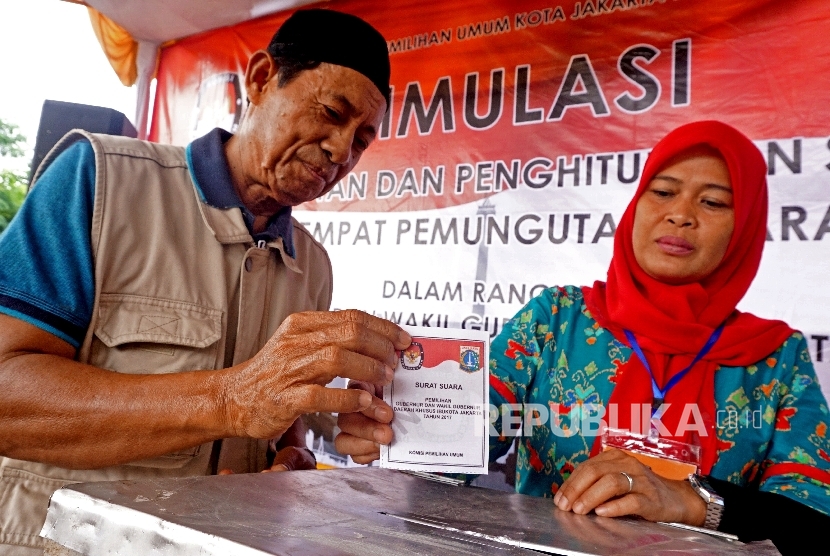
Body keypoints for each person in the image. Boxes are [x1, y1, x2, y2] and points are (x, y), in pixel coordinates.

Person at [0, 9, 408, 555]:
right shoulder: (101, 180)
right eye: (332, 112)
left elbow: (282, 428)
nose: (340, 150)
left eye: (362, 140)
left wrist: (291, 465)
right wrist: (230, 399)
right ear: (261, 78)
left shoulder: (313, 264)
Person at [336, 121, 830, 553]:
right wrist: (398, 434)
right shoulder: (556, 320)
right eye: (662, 192)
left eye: (714, 202)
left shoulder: (776, 358)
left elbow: (811, 519)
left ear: (744, 227)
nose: (681, 214)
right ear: (636, 205)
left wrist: (693, 501)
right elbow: (467, 432)